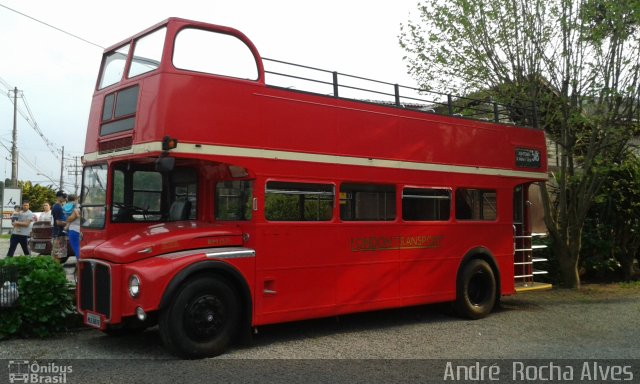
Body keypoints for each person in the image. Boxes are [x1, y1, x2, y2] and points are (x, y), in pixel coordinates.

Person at [65, 194, 81, 260]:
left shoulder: (72, 206)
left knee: (76, 248)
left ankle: (80, 265)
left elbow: (71, 218)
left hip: (74, 229)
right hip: (82, 229)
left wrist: (66, 219)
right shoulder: (82, 206)